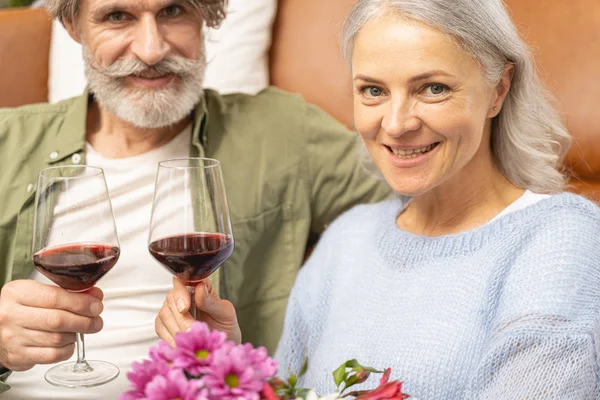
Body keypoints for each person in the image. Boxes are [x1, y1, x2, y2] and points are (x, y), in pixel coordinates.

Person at [157, 0, 600, 398]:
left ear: (498, 90)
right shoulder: (347, 238)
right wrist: (226, 358)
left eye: (433, 88)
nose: (396, 123)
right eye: (373, 90)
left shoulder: (562, 239)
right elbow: (293, 391)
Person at [0, 0, 392, 397]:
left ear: (206, 16)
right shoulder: (6, 142)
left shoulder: (283, 131)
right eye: (117, 16)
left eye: (173, 11)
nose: (151, 50)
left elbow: (433, 200)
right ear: (73, 25)